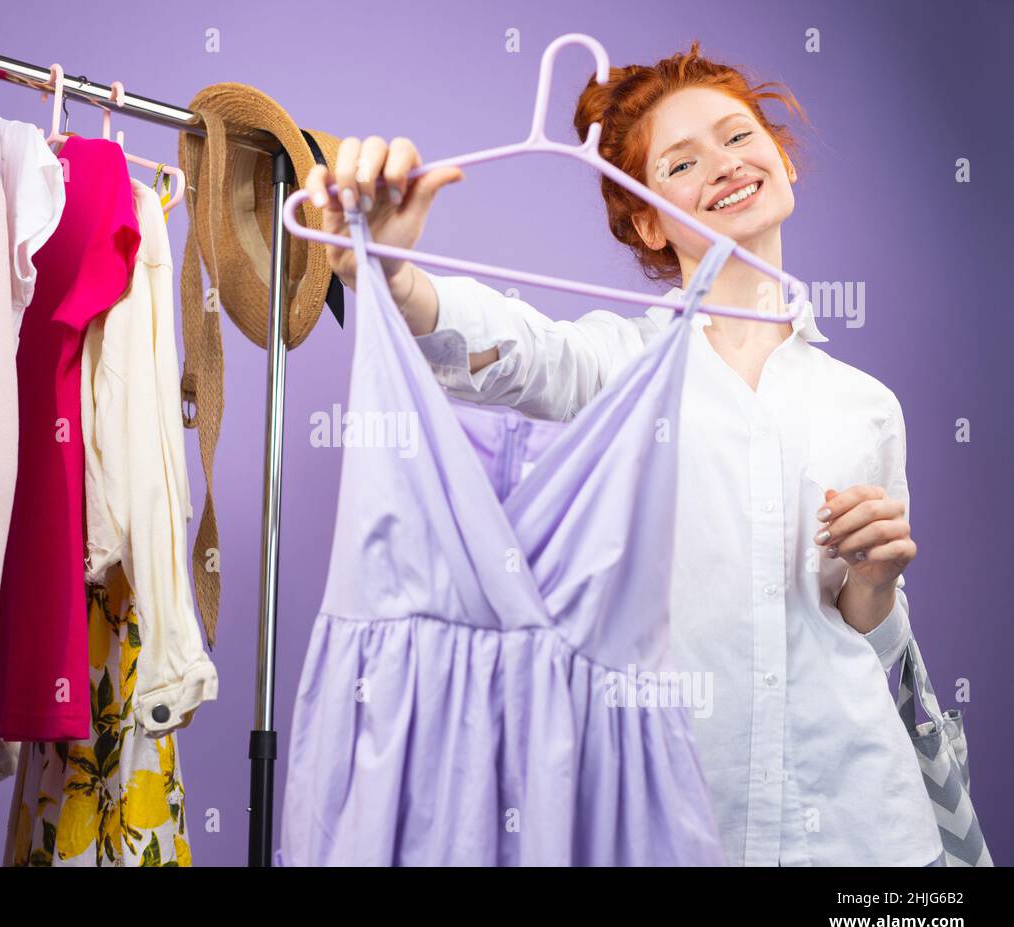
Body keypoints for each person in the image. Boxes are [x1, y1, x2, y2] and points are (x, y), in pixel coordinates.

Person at [303, 42, 944, 867]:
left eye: (739, 137)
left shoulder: (866, 405)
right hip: (683, 820)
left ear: (779, 158)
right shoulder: (619, 364)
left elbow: (863, 624)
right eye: (681, 163)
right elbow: (518, 352)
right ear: (645, 216)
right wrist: (392, 278)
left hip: (868, 830)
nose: (723, 164)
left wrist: (876, 578)